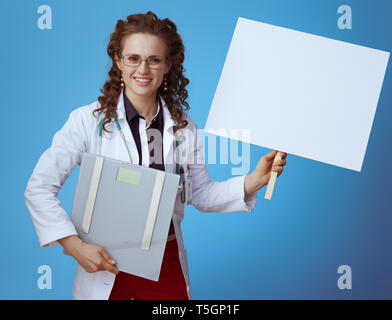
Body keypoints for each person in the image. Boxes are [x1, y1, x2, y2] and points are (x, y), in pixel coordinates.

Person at [24, 11, 287, 300]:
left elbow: (201, 194)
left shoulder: (184, 128)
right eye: (133, 58)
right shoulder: (88, 121)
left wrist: (253, 180)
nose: (143, 69)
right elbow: (39, 188)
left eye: (154, 60)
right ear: (118, 61)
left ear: (167, 66)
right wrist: (74, 246)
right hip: (105, 262)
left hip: (166, 261)